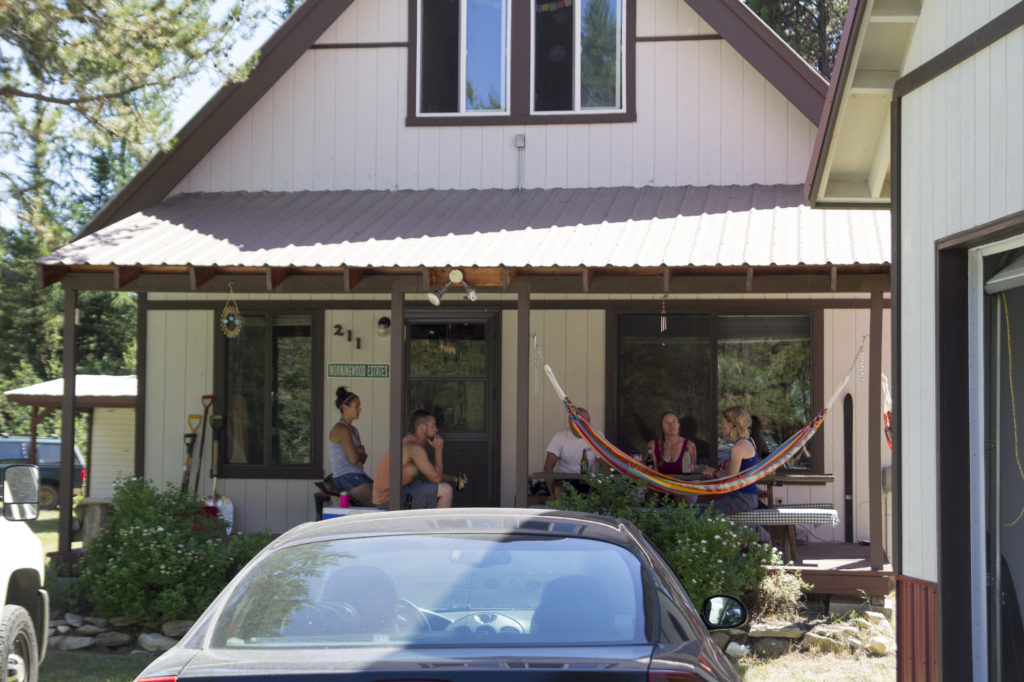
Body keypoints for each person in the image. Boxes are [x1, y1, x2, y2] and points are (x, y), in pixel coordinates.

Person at [371, 409, 463, 510]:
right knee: (446, 491)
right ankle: (436, 526)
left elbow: (432, 474)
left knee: (424, 485)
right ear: (422, 428)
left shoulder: (410, 443)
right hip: (390, 501)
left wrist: (455, 479)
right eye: (433, 425)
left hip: (397, 494)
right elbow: (436, 479)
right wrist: (438, 450)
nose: (436, 429)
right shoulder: (414, 448)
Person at [695, 406, 760, 515]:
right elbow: (730, 474)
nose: (721, 426)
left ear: (730, 424)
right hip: (745, 497)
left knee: (702, 514)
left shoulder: (738, 447)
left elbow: (731, 479)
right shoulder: (747, 441)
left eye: (722, 422)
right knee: (704, 509)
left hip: (742, 499)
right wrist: (714, 472)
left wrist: (715, 473)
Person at [328, 386, 373, 506]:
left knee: (383, 497)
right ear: (345, 408)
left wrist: (358, 452)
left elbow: (363, 458)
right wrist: (359, 452)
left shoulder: (353, 430)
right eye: (356, 406)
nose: (360, 409)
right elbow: (354, 460)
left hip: (357, 474)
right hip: (346, 477)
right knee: (378, 503)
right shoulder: (341, 429)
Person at [543, 407, 601, 500]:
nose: (581, 426)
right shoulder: (561, 436)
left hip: (591, 479)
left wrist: (599, 482)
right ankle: (561, 512)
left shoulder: (597, 435)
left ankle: (589, 513)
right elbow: (548, 466)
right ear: (570, 422)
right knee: (559, 488)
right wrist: (552, 494)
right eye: (577, 422)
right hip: (567, 480)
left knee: (597, 489)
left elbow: (606, 465)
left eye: (584, 422)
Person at [647, 410, 699, 504]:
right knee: (653, 496)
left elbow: (691, 470)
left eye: (674, 422)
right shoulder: (653, 445)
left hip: (682, 487)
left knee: (678, 494)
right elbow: (652, 472)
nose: (671, 425)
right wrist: (667, 486)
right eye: (667, 422)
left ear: (679, 425)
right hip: (659, 486)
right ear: (661, 427)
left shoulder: (689, 445)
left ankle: (683, 518)